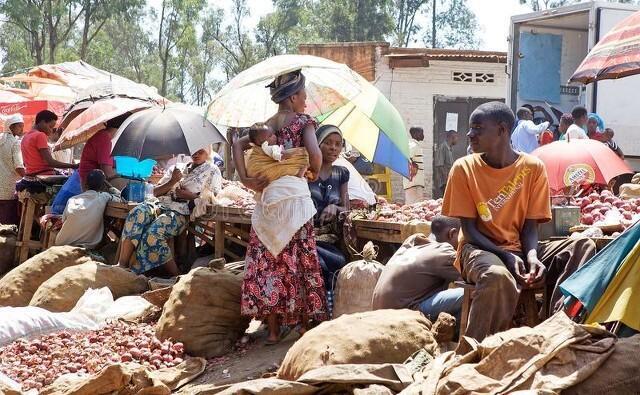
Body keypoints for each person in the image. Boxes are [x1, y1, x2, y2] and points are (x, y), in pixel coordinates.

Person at [442, 101, 597, 341]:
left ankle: (559, 326)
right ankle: (476, 354)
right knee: (497, 276)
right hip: (478, 249)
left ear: (502, 130)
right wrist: (506, 256)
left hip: (520, 247)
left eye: (477, 128)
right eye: (470, 129)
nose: (470, 134)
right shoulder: (464, 168)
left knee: (583, 246)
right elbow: (470, 231)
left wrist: (532, 257)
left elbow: (530, 228)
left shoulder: (533, 168)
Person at [233, 69, 326, 344]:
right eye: (304, 97)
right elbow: (316, 159)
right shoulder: (303, 122)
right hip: (294, 203)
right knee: (300, 260)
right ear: (294, 96)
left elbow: (237, 146)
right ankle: (303, 327)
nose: (306, 102)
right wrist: (307, 166)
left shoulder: (264, 126)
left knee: (270, 262)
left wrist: (246, 179)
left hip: (268, 202)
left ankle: (273, 332)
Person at [117, 147, 221, 277]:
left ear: (208, 152)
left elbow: (213, 200)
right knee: (137, 213)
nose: (196, 154)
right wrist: (173, 181)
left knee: (155, 233)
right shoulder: (177, 168)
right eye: (194, 150)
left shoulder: (212, 171)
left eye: (201, 151)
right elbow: (154, 192)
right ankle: (122, 265)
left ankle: (175, 275)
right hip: (160, 203)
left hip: (182, 211)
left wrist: (189, 195)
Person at [372, 216, 463, 322]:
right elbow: (474, 277)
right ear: (452, 234)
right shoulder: (443, 251)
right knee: (468, 294)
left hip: (379, 312)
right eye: (461, 236)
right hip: (403, 314)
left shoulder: (411, 244)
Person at [308, 125, 350, 291]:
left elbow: (347, 208)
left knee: (338, 262)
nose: (334, 147)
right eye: (328, 143)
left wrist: (335, 207)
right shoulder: (306, 172)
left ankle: (329, 310)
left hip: (329, 240)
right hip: (306, 238)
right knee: (321, 265)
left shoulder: (342, 173)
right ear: (317, 144)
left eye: (338, 144)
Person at [55, 169, 121, 249]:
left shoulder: (72, 199)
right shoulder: (103, 197)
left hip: (61, 243)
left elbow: (64, 220)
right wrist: (109, 185)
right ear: (102, 186)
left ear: (85, 184)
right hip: (84, 247)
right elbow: (119, 196)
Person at [78, 113, 130, 190]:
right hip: (92, 184)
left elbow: (112, 163)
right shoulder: (104, 138)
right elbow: (107, 173)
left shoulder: (105, 136)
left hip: (96, 181)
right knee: (133, 184)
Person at [246, 122, 312, 180]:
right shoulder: (269, 148)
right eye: (270, 136)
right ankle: (299, 176)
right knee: (304, 158)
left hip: (282, 165)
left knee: (303, 161)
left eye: (273, 133)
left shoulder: (268, 147)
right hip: (280, 167)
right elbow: (278, 156)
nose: (274, 136)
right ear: (262, 142)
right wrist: (291, 154)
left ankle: (300, 175)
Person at [21, 110, 77, 175]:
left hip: (30, 175)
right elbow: (50, 162)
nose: (51, 130)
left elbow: (25, 163)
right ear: (42, 122)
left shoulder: (25, 137)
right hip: (43, 175)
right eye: (50, 127)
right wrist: (73, 166)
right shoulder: (40, 135)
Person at [0, 114, 26, 225]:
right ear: (11, 127)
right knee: (6, 223)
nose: (22, 129)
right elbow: (19, 166)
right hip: (9, 188)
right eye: (20, 126)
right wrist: (28, 177)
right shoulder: (15, 143)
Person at [403, 127, 426, 204]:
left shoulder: (413, 144)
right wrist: (414, 166)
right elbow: (406, 157)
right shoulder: (413, 145)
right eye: (421, 133)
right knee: (414, 207)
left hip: (414, 183)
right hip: (414, 184)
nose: (423, 135)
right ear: (416, 134)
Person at [434, 130, 458, 198]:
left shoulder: (449, 148)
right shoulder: (443, 148)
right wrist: (447, 179)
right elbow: (439, 165)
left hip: (448, 180)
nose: (457, 140)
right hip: (445, 181)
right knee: (447, 199)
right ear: (452, 137)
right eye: (456, 137)